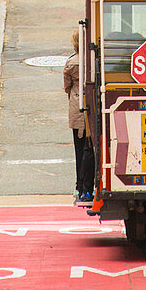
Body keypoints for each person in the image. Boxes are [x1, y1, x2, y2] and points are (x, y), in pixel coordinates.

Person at [63, 30, 94, 202]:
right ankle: (89, 186)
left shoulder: (71, 63)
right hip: (91, 108)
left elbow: (66, 87)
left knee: (79, 148)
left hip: (76, 109)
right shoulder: (92, 61)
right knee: (90, 148)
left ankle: (80, 185)